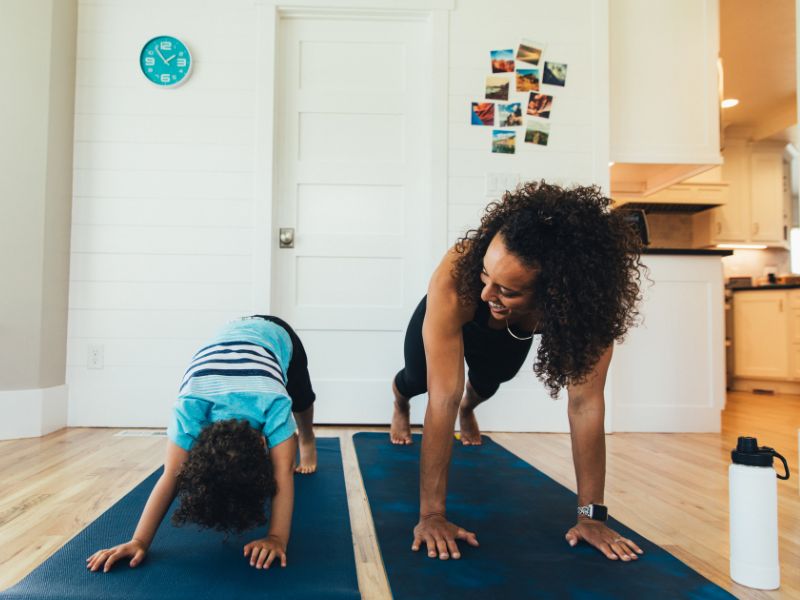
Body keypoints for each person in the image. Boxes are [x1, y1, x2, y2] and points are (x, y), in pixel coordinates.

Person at [389, 181, 645, 563]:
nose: (485, 294)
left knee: (492, 381)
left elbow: (586, 405)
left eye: (506, 289)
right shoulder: (459, 276)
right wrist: (432, 515)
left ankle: (471, 408)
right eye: (485, 275)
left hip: (510, 329)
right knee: (418, 379)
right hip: (448, 317)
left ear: (555, 295)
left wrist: (590, 517)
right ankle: (399, 400)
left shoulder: (585, 307)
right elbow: (442, 397)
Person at [86, 315, 317, 573]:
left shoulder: (273, 402)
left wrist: (277, 537)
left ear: (264, 442)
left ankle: (309, 438)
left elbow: (282, 472)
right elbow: (172, 474)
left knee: (302, 400)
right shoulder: (190, 406)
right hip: (229, 336)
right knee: (289, 432)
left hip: (278, 336)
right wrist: (138, 540)